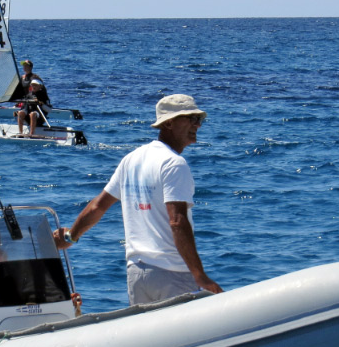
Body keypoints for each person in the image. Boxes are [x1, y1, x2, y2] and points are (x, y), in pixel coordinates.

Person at [53, 94, 223, 305]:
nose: (197, 125)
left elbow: (99, 205)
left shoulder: (131, 159)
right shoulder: (174, 164)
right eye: (191, 118)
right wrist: (199, 276)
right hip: (172, 273)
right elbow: (177, 221)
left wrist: (70, 237)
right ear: (169, 122)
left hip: (137, 274)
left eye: (199, 120)